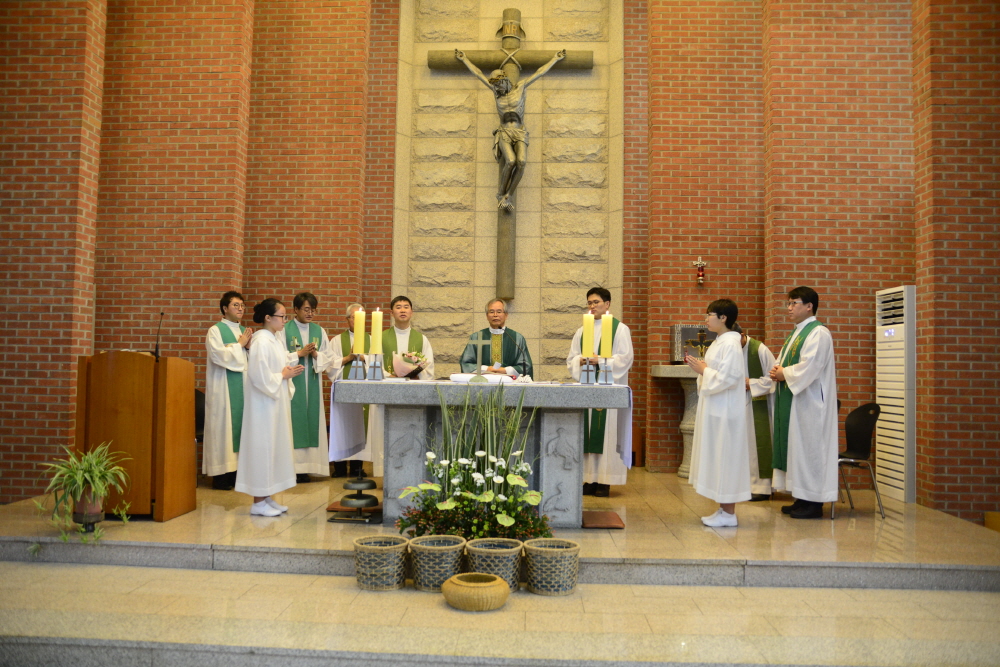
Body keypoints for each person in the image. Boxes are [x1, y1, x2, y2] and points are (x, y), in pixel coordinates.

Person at [454, 48, 566, 212]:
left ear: (505, 80)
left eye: (499, 84)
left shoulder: (520, 87)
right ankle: (501, 194)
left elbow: (539, 73)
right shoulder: (496, 93)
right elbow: (478, 74)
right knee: (511, 161)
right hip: (504, 132)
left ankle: (508, 195)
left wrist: (555, 59)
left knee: (522, 162)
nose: (497, 88)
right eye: (495, 86)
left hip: (519, 132)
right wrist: (464, 59)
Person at [769, 286, 839, 519]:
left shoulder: (818, 333)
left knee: (810, 450)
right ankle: (801, 497)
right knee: (798, 451)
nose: (789, 308)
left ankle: (814, 502)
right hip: (796, 403)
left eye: (794, 303)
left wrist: (784, 373)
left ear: (809, 306)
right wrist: (776, 370)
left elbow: (811, 365)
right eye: (788, 303)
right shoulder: (796, 334)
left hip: (811, 405)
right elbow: (781, 363)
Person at [685, 299, 751, 527]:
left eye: (710, 314)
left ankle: (729, 514)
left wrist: (704, 370)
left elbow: (730, 377)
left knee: (726, 458)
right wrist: (702, 368)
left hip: (726, 411)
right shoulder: (720, 341)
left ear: (723, 318)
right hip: (717, 407)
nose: (706, 319)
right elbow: (717, 372)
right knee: (720, 458)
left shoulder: (730, 343)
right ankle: (723, 510)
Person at [235, 298, 303, 517]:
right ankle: (257, 502)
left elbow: (278, 366)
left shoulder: (274, 339)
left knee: (273, 448)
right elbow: (258, 375)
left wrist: (287, 372)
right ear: (267, 317)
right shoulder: (261, 341)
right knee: (262, 449)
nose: (285, 320)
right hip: (262, 406)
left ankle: (266, 497)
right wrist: (282, 375)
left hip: (274, 403)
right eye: (282, 316)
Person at [566, 287, 634, 497]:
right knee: (588, 433)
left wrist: (600, 360)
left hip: (608, 390)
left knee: (607, 434)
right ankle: (589, 479)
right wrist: (580, 361)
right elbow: (571, 358)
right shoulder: (582, 331)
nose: (592, 306)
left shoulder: (619, 329)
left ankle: (605, 481)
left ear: (607, 304)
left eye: (596, 302)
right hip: (587, 389)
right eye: (589, 302)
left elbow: (625, 358)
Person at [283, 292, 336, 484]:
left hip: (312, 383)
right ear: (296, 309)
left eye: (313, 310)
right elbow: (278, 355)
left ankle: (309, 468)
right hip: (292, 385)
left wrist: (315, 355)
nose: (310, 313)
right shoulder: (284, 329)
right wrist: (299, 353)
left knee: (312, 420)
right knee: (293, 422)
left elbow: (328, 358)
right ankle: (292, 469)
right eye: (306, 309)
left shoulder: (319, 331)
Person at [203, 291, 253, 490]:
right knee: (222, 430)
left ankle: (236, 474)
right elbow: (218, 356)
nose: (240, 309)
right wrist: (239, 345)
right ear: (224, 308)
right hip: (223, 389)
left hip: (243, 388)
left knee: (240, 429)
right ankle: (221, 476)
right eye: (235, 305)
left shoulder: (244, 331)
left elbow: (249, 361)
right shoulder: (215, 330)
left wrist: (248, 348)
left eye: (242, 305)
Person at [328, 303, 369, 478]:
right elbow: (330, 366)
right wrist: (349, 357)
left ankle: (357, 467)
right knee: (342, 426)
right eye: (354, 317)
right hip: (344, 389)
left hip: (364, 390)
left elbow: (378, 363)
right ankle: (339, 467)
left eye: (361, 318)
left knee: (359, 425)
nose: (357, 321)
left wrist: (364, 357)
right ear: (347, 319)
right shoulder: (337, 341)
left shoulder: (372, 339)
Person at [737, 324, 776, 501]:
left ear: (742, 335)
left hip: (758, 407)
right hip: (736, 406)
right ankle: (743, 486)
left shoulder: (759, 350)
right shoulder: (728, 350)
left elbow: (773, 379)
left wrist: (750, 383)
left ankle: (762, 488)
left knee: (755, 447)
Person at [459, 298, 533, 378]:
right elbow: (466, 364)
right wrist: (487, 369)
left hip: (509, 382)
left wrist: (505, 370)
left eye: (499, 312)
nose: (495, 315)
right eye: (491, 312)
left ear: (506, 315)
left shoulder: (517, 338)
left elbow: (526, 367)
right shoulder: (476, 337)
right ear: (487, 316)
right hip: (483, 382)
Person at [381, 295, 435, 381]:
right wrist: (391, 377)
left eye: (406, 307)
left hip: (413, 386)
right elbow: (373, 365)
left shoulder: (422, 339)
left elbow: (429, 368)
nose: (402, 310)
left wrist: (416, 377)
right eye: (398, 307)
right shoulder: (380, 338)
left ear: (411, 312)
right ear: (391, 313)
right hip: (388, 384)